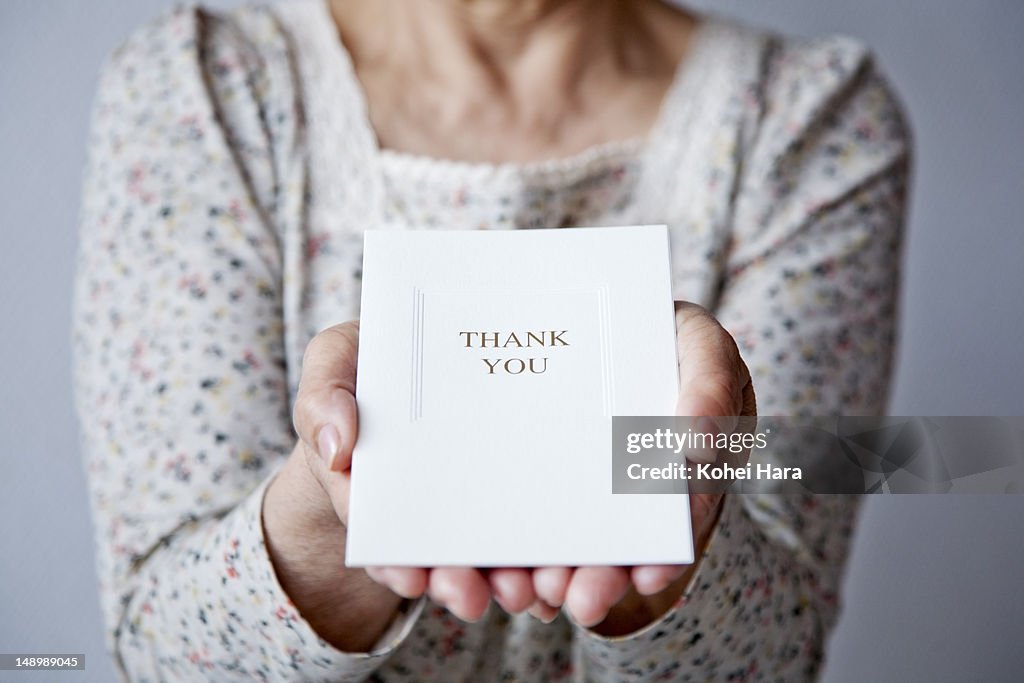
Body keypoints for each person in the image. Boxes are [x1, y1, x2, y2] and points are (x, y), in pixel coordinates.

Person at [72, 0, 909, 680]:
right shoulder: (204, 85)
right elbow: (163, 653)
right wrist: (333, 514)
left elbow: (773, 659)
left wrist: (681, 527)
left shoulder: (809, 119)